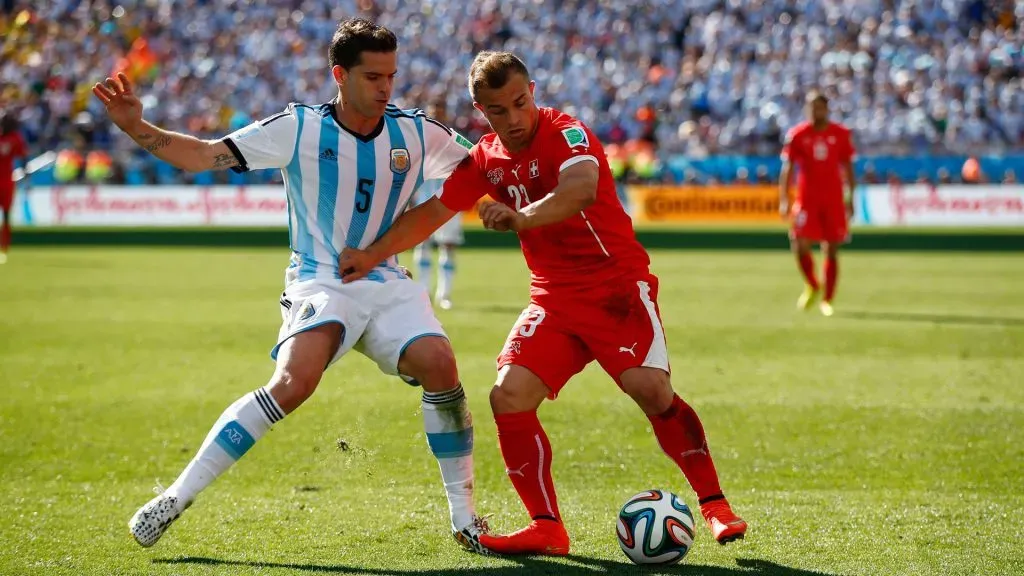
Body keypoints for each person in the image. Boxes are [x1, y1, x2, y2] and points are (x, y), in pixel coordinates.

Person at [92, 18, 488, 553]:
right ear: (339, 75)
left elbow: (487, 164)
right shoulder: (298, 128)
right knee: (294, 382)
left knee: (441, 365)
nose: (385, 87)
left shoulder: (417, 132)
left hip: (387, 279)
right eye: (373, 76)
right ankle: (176, 496)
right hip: (320, 279)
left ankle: (466, 520)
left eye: (391, 75)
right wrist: (136, 127)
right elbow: (201, 155)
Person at [339, 51, 747, 556]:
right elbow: (434, 212)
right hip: (553, 298)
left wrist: (523, 218)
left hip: (615, 288)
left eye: (519, 103)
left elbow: (580, 188)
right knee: (507, 396)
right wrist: (371, 255)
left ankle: (714, 506)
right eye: (497, 111)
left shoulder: (566, 132)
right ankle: (547, 526)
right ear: (480, 109)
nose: (513, 119)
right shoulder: (485, 159)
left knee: (650, 388)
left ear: (532, 91)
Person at [779, 91, 856, 317]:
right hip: (807, 199)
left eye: (819, 108)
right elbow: (788, 169)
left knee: (831, 248)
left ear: (826, 109)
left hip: (833, 199)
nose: (815, 112)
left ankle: (827, 299)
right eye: (811, 108)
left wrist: (851, 199)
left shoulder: (840, 134)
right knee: (798, 242)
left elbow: (848, 169)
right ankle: (813, 283)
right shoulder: (797, 135)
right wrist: (784, 199)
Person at [412, 102, 465, 310]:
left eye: (440, 112)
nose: (437, 116)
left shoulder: (455, 140)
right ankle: (424, 291)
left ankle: (444, 294)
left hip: (450, 199)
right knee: (422, 243)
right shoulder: (419, 141)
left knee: (448, 245)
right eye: (434, 113)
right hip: (425, 198)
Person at [0, 113, 27, 264]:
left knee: (6, 217)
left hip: (5, 181)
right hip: (6, 182)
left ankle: (3, 249)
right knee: (6, 217)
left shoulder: (12, 138)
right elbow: (23, 157)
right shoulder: (15, 138)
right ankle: (3, 250)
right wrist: (24, 170)